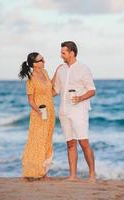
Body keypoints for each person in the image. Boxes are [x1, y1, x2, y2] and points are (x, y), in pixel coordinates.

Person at [53, 41, 96, 182]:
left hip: (79, 111)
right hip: (63, 111)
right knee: (70, 143)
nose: (61, 55)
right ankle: (72, 176)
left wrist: (80, 98)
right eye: (61, 52)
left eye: (63, 52)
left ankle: (92, 175)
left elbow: (92, 90)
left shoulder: (83, 69)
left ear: (72, 53)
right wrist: (40, 95)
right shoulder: (61, 70)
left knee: (83, 143)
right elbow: (56, 91)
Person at [18, 52, 57, 182]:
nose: (44, 61)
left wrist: (57, 72)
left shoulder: (45, 73)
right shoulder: (31, 79)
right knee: (36, 142)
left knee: (47, 141)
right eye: (41, 60)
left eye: (43, 59)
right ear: (34, 64)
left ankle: (43, 172)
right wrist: (39, 112)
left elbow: (50, 92)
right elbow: (30, 101)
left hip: (50, 112)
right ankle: (31, 171)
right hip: (39, 114)